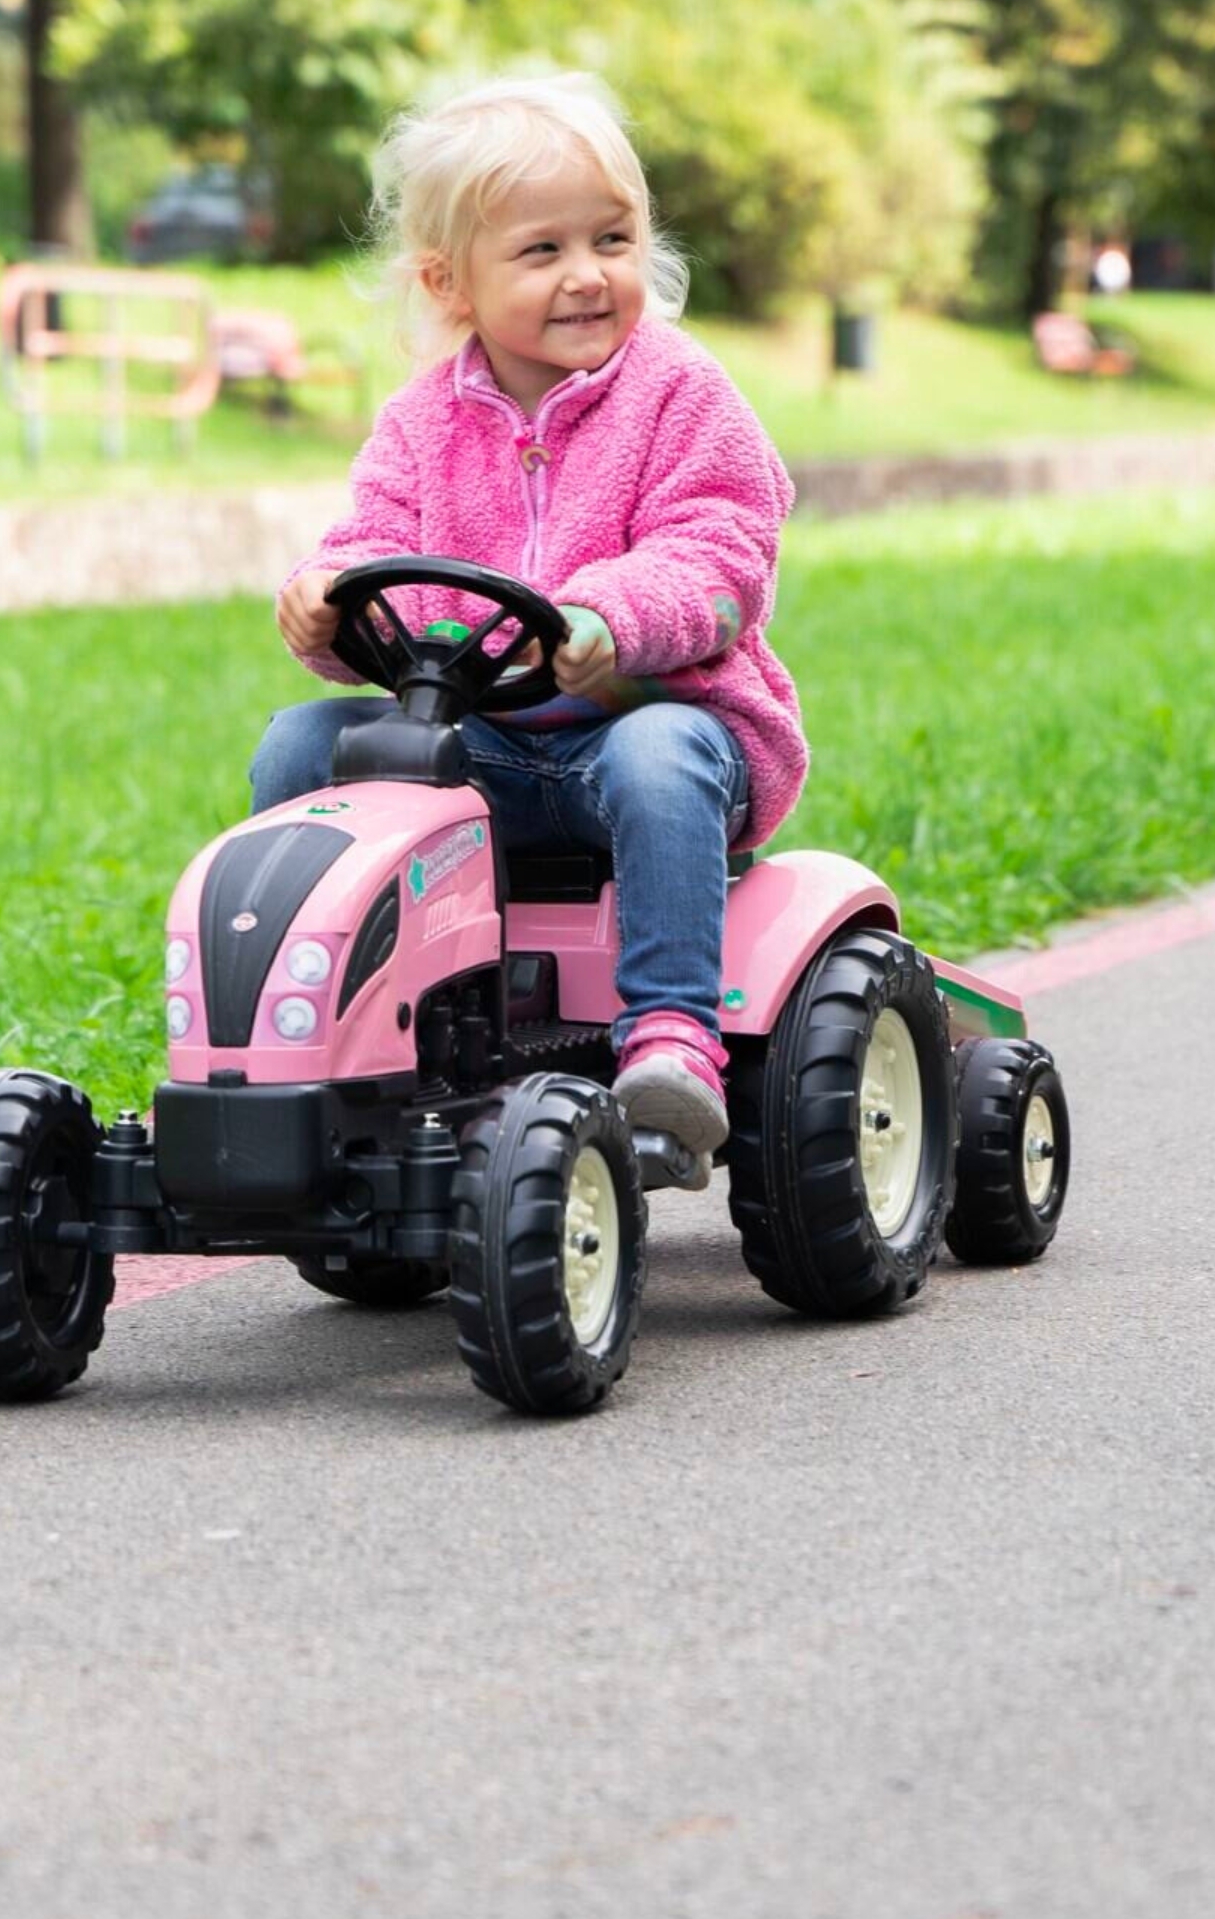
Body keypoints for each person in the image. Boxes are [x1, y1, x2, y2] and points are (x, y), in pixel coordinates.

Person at [250, 72, 806, 1157]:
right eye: (543, 251)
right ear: (449, 282)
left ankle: (668, 1039)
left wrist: (608, 616)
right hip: (485, 747)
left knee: (657, 754)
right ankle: (320, 1027)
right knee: (299, 748)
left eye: (613, 239)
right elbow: (376, 544)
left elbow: (723, 548)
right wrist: (329, 603)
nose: (588, 275)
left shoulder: (682, 396)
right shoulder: (420, 423)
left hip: (655, 723)